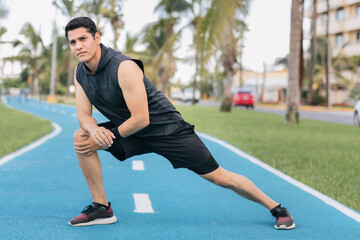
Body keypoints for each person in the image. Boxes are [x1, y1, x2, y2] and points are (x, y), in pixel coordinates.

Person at [65, 17, 295, 230]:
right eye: (72, 42)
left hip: (168, 131)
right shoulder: (80, 72)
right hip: (130, 132)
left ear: (97, 38)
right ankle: (102, 208)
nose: (78, 46)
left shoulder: (123, 67)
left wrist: (107, 136)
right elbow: (84, 116)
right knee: (82, 137)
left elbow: (141, 118)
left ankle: (276, 207)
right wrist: (95, 132)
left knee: (219, 176)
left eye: (83, 39)